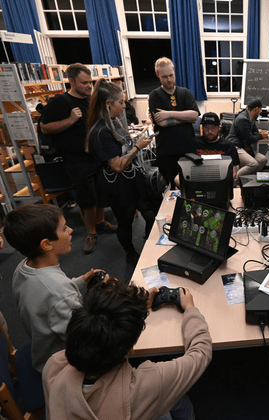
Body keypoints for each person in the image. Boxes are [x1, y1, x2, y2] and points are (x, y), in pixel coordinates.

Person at [43, 278, 212, 420]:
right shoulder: (151, 384)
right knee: (179, 400)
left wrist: (135, 310)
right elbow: (201, 353)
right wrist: (190, 309)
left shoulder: (54, 366)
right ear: (130, 349)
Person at [2, 204, 102, 373]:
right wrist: (105, 297)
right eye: (64, 228)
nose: (71, 230)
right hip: (66, 365)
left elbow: (49, 294)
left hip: (43, 352)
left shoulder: (24, 267)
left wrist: (81, 282)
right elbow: (87, 339)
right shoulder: (59, 291)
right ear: (47, 244)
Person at [40, 63, 116, 254]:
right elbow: (45, 128)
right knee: (86, 197)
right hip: (76, 159)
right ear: (71, 81)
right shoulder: (60, 101)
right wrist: (70, 120)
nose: (89, 86)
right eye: (84, 83)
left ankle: (100, 223)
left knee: (100, 192)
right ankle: (91, 233)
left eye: (90, 82)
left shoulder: (91, 100)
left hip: (96, 155)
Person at [86, 79, 156, 267]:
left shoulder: (114, 122)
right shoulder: (100, 132)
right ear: (108, 104)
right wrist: (138, 147)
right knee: (125, 223)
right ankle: (130, 252)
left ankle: (149, 244)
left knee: (150, 213)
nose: (124, 106)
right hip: (118, 186)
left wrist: (137, 144)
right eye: (120, 102)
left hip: (132, 179)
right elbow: (117, 166)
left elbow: (124, 147)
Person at [149, 57, 200, 188]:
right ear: (158, 75)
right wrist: (185, 117)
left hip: (188, 149)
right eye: (164, 76)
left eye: (171, 75)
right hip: (167, 152)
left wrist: (168, 113)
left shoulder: (185, 92)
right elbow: (162, 123)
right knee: (170, 188)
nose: (169, 79)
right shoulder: (155, 95)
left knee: (190, 185)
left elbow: (194, 116)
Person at [175, 112, 239, 186]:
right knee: (177, 179)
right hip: (197, 178)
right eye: (207, 128)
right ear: (202, 128)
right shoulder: (193, 143)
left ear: (219, 128)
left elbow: (233, 173)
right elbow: (186, 167)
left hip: (220, 180)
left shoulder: (228, 146)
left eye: (213, 128)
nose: (210, 131)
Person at [226, 99, 269, 181]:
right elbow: (250, 139)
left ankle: (248, 179)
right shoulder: (243, 119)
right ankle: (234, 181)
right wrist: (261, 135)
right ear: (256, 109)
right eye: (260, 109)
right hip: (235, 147)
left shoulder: (251, 118)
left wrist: (258, 134)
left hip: (243, 146)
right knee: (253, 164)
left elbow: (254, 132)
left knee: (263, 160)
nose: (261, 112)